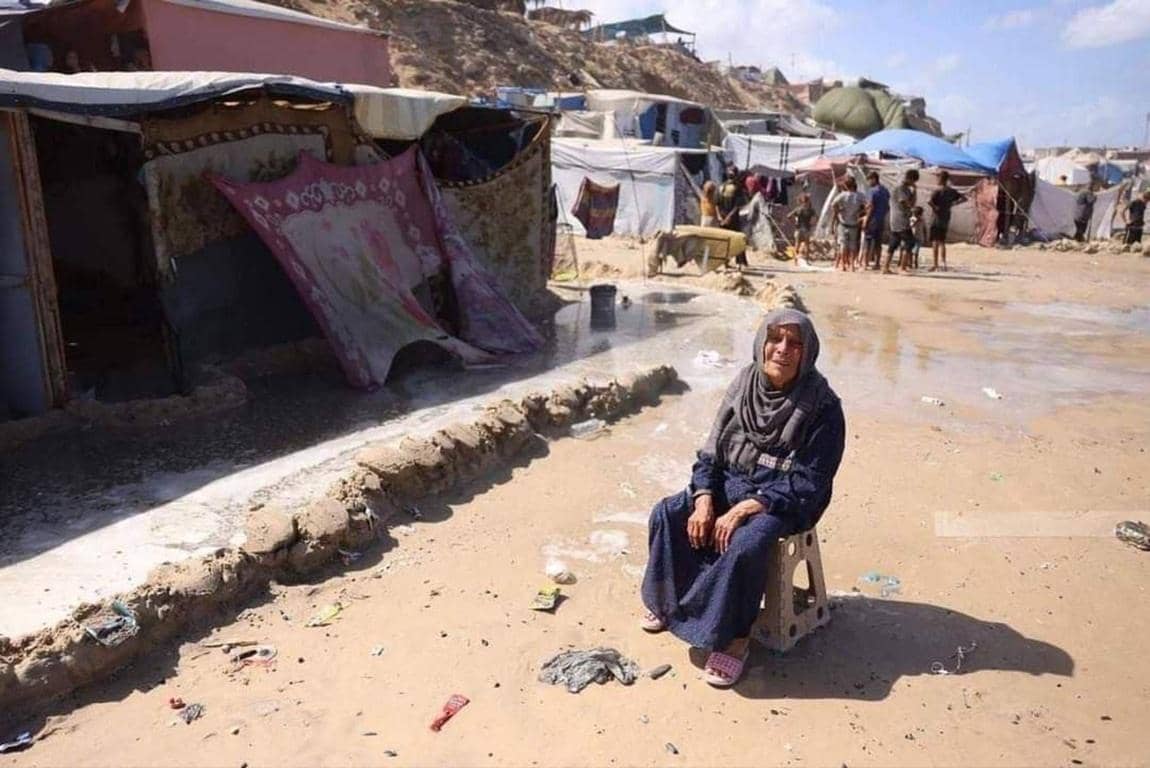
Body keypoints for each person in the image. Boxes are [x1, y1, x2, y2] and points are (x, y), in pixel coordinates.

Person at [640, 309, 845, 688]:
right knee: (669, 513)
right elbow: (710, 456)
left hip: (784, 499)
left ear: (808, 353)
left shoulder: (823, 408)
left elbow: (811, 482)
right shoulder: (743, 386)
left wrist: (748, 507)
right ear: (760, 344)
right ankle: (670, 604)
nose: (782, 349)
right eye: (775, 339)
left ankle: (734, 641)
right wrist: (704, 499)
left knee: (747, 545)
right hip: (733, 481)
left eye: (795, 343)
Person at [928, 170, 967, 271]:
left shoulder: (938, 191)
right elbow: (964, 198)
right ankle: (944, 263)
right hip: (945, 218)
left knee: (935, 242)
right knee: (942, 242)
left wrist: (935, 208)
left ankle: (935, 264)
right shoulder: (951, 191)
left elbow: (930, 202)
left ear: (941, 179)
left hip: (936, 219)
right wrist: (953, 204)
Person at [884, 169, 918, 274]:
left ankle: (886, 267)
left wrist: (914, 191)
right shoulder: (900, 188)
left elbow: (912, 201)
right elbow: (905, 202)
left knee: (894, 243)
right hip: (900, 219)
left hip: (899, 219)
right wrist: (911, 207)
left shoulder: (907, 189)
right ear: (910, 178)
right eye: (914, 180)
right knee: (910, 242)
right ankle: (902, 267)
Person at [830, 176, 866, 271]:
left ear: (846, 185)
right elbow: (868, 205)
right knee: (853, 245)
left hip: (843, 223)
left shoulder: (843, 195)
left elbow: (833, 204)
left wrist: (839, 211)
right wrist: (860, 214)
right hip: (854, 223)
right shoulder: (860, 195)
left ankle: (843, 265)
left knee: (843, 245)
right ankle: (852, 266)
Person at [862, 171, 889, 270]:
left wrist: (866, 220)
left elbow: (871, 207)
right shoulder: (885, 190)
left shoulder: (872, 191)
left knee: (868, 241)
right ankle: (877, 263)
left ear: (874, 179)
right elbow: (887, 207)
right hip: (881, 220)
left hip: (872, 219)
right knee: (878, 243)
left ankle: (865, 263)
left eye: (869, 180)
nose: (868, 182)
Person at [789, 193, 816, 260]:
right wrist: (813, 224)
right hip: (806, 229)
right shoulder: (811, 210)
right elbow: (816, 217)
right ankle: (806, 259)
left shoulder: (798, 209)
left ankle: (795, 260)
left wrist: (794, 222)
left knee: (797, 244)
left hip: (798, 229)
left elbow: (789, 216)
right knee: (807, 244)